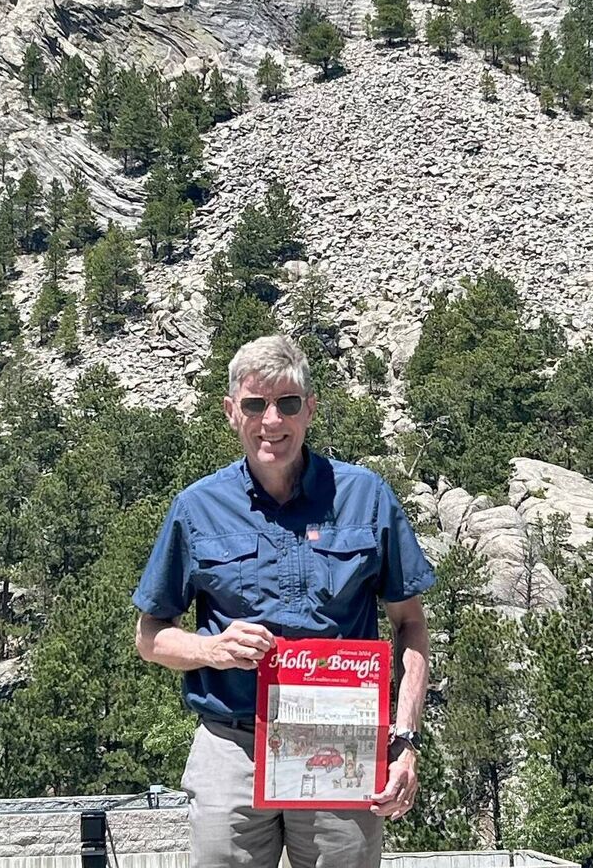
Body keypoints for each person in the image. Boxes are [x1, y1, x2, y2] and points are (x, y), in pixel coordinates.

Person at [134, 334, 435, 868]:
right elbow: (151, 636)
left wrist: (405, 738)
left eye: (287, 403)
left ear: (310, 409)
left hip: (341, 744)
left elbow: (409, 624)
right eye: (256, 404)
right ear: (232, 413)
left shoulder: (366, 496)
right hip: (233, 745)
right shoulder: (197, 507)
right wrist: (213, 649)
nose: (272, 420)